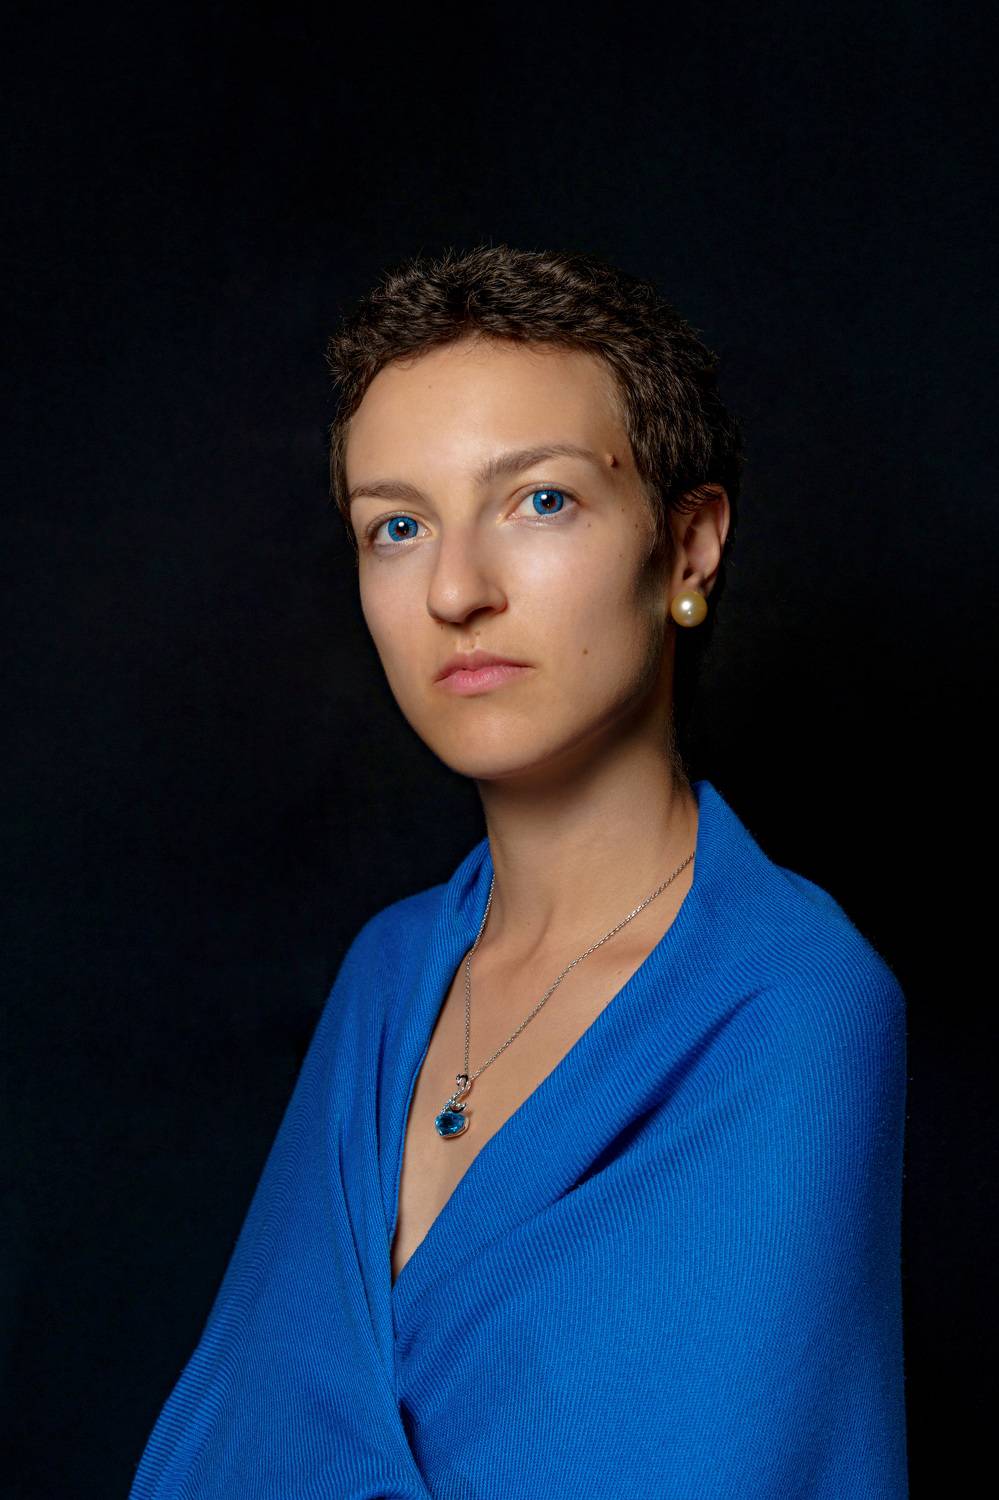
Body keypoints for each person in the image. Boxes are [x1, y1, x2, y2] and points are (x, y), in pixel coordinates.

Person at [128, 244, 909, 1498]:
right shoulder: (389, 972)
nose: (454, 590)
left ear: (689, 546)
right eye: (397, 526)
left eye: (539, 501)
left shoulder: (795, 1002)